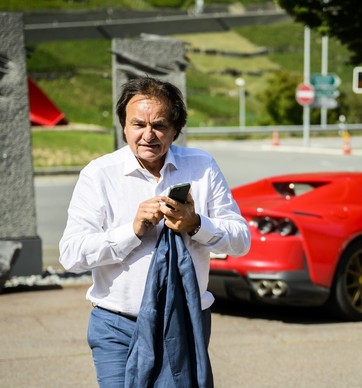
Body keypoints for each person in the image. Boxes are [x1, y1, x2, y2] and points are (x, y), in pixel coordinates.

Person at [59, 76, 251, 387]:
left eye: (159, 125)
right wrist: (132, 231)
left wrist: (196, 224)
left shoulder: (202, 166)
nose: (148, 135)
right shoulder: (99, 175)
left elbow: (241, 240)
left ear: (176, 129)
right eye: (138, 124)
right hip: (117, 326)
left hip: (186, 322)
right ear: (123, 126)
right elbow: (71, 255)